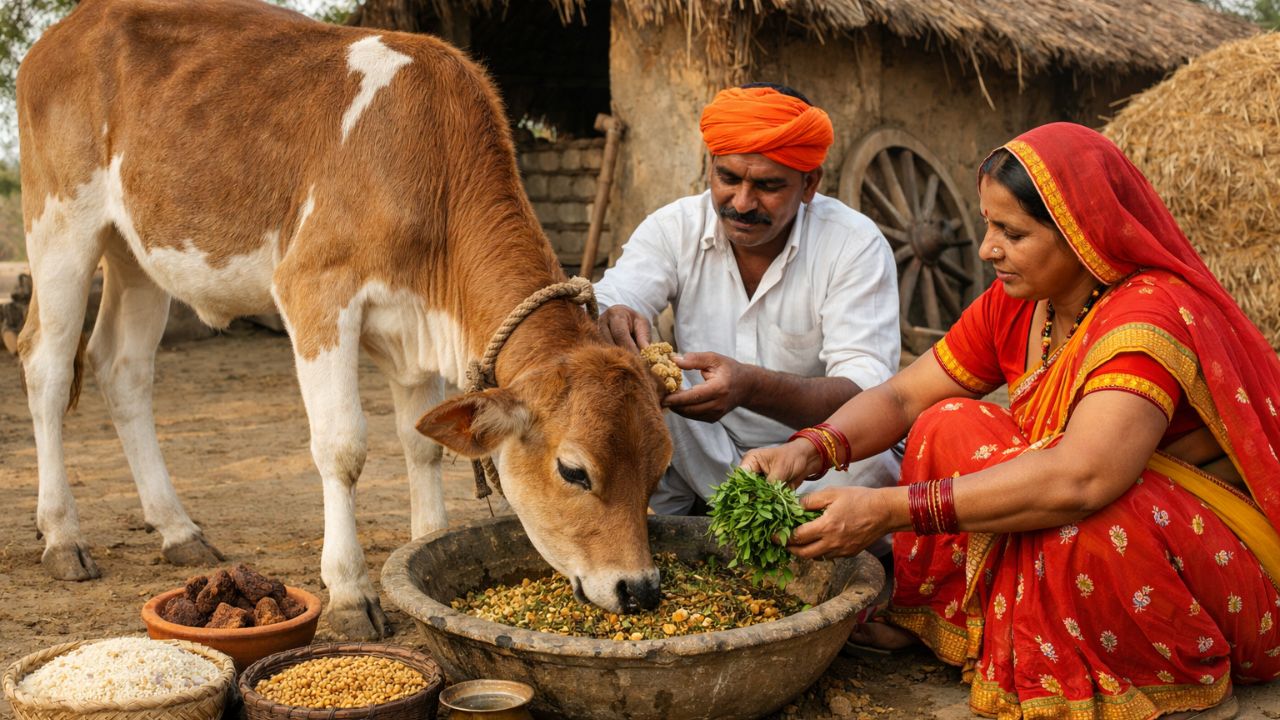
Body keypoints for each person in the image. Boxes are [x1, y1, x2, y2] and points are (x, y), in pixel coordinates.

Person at [743, 122, 1280, 718]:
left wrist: (890, 510)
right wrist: (811, 450)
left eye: (1012, 232)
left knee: (1083, 519)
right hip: (1091, 500)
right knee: (948, 422)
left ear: (1083, 235)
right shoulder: (1024, 302)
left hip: (1209, 565)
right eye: (987, 225)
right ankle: (951, 621)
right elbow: (902, 399)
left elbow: (1082, 479)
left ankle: (1158, 677)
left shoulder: (1145, 320)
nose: (986, 249)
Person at [594, 83, 902, 522]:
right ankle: (681, 521)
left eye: (767, 186)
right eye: (729, 178)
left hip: (810, 459)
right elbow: (613, 297)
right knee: (638, 381)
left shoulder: (853, 244)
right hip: (704, 444)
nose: (741, 202)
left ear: (809, 183)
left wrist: (751, 387)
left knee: (872, 462)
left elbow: (866, 390)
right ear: (710, 168)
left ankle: (731, 516)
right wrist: (615, 316)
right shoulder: (673, 227)